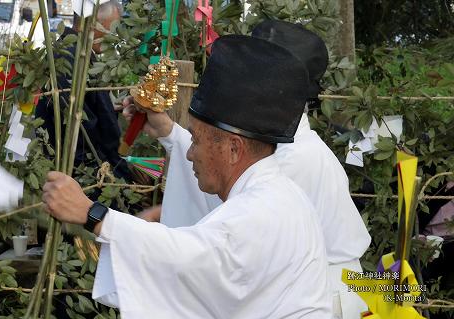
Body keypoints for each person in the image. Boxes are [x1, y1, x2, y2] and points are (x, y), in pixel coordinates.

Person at [42, 35, 332, 318]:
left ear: (233, 148)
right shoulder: (271, 186)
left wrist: (93, 215)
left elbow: (186, 258)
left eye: (195, 140)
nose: (190, 154)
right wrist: (169, 133)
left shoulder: (258, 211)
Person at [125, 20, 371, 318]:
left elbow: (227, 224)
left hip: (323, 295)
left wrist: (119, 230)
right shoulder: (278, 144)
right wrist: (168, 131)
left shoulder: (292, 157)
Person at [35, 0, 134, 182]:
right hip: (83, 170)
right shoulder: (71, 57)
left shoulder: (73, 51)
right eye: (111, 28)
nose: (113, 36)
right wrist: (116, 170)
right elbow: (85, 128)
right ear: (94, 22)